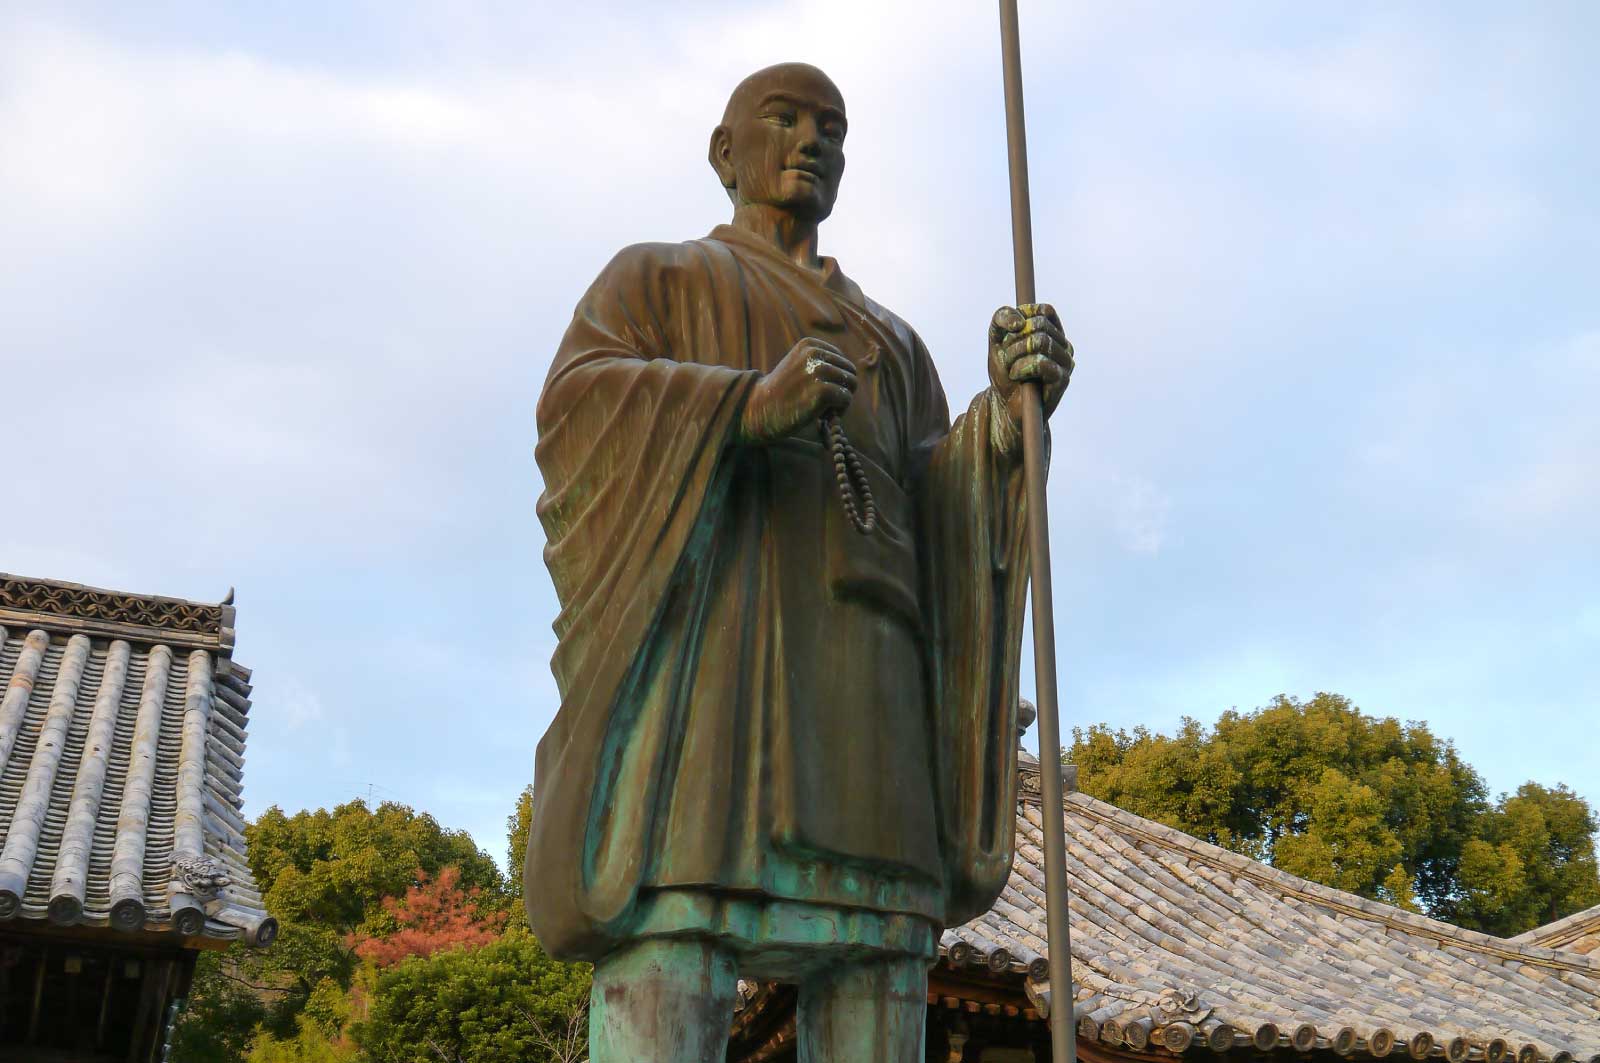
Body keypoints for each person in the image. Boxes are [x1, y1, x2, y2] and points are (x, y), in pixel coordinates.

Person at [526, 61, 1074, 1062]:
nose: (811, 140)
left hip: (869, 684)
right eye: (783, 119)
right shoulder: (658, 280)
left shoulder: (890, 343)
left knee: (880, 948)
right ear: (724, 153)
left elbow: (936, 498)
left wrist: (1003, 423)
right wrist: (740, 407)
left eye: (832, 126)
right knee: (678, 929)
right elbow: (576, 408)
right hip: (720, 673)